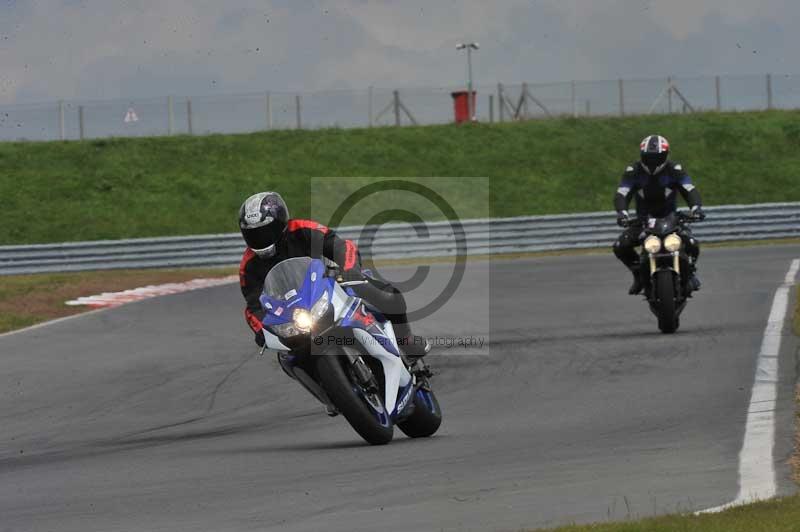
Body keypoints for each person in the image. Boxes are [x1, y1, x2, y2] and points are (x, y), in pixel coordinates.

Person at [238, 191, 430, 358]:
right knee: (288, 357)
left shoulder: (302, 229)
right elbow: (253, 307)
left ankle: (406, 341)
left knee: (389, 296)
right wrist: (262, 330)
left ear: (281, 223)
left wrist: (350, 272)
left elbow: (340, 246)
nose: (260, 239)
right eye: (253, 234)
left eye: (265, 232)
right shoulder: (249, 266)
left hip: (331, 283)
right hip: (294, 314)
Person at [613, 135, 706, 295]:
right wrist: (622, 213)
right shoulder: (633, 171)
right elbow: (622, 193)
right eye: (649, 157)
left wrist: (696, 208)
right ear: (642, 155)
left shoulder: (674, 170)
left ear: (665, 155)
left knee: (692, 243)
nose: (653, 161)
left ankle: (690, 274)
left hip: (671, 219)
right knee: (620, 246)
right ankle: (638, 275)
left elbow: (689, 189)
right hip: (643, 221)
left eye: (657, 157)